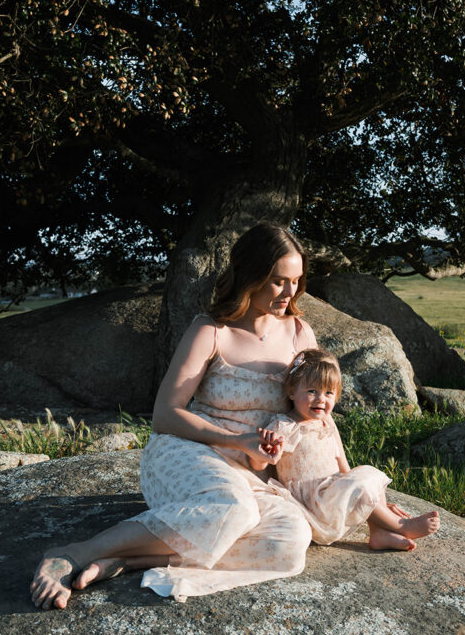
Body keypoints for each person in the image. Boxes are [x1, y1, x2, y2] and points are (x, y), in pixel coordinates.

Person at [29, 223, 438, 610]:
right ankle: (74, 553)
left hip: (257, 471)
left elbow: (317, 418)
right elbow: (165, 416)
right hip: (190, 452)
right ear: (250, 275)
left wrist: (369, 498)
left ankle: (131, 559)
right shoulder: (210, 330)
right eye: (279, 280)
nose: (289, 291)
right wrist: (235, 441)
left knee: (289, 541)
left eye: (296, 280)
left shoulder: (299, 334)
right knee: (235, 509)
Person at [254, 348, 440, 550]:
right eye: (311, 391)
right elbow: (261, 462)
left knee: (368, 476)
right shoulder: (284, 426)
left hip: (334, 494)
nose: (320, 399)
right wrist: (266, 453)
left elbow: (343, 464)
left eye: (328, 393)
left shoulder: (327, 423)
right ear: (292, 392)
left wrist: (374, 501)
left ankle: (378, 531)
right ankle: (402, 525)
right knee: (359, 483)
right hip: (314, 503)